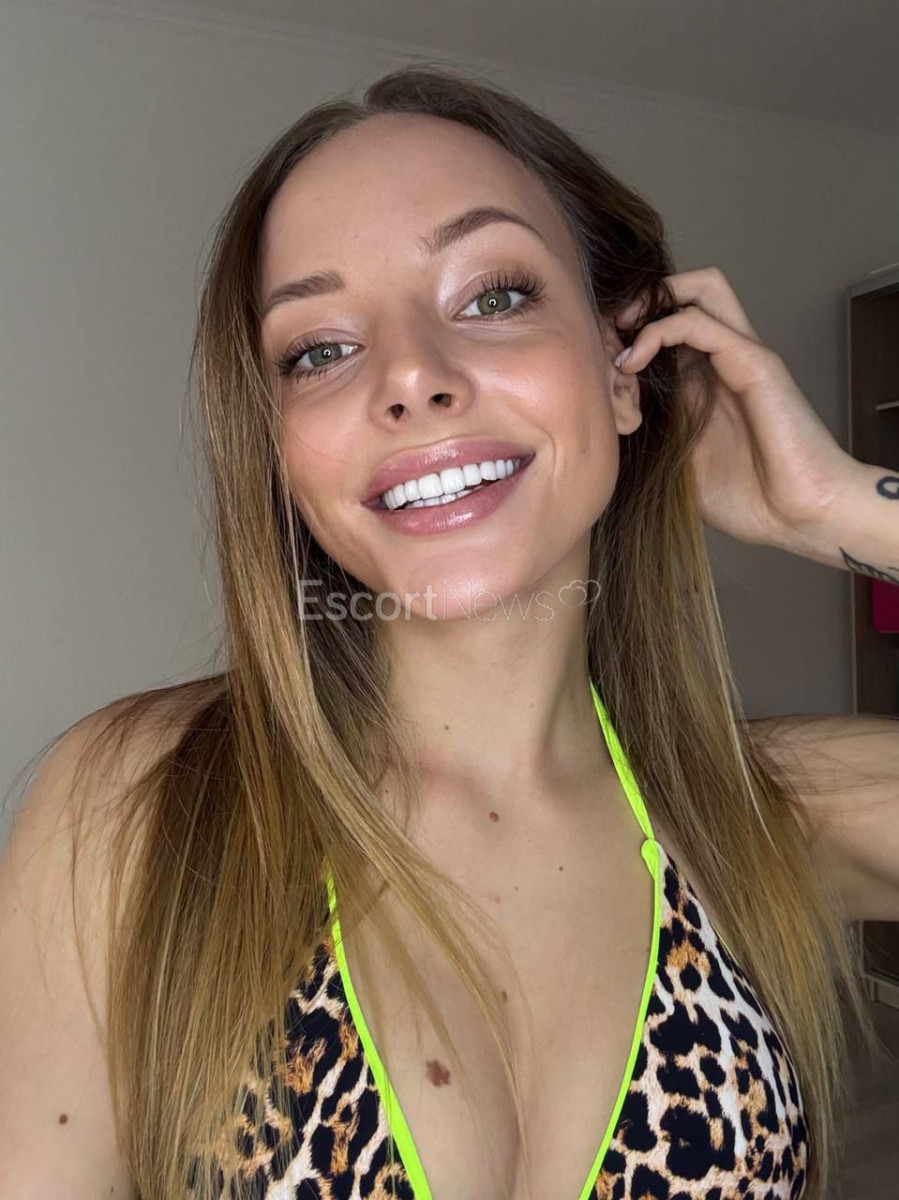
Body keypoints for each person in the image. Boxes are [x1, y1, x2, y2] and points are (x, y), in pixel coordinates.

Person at [1, 63, 896, 1200]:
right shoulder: (136, 808)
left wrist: (837, 504)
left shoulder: (760, 809)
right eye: (319, 350)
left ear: (625, 371)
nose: (412, 376)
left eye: (492, 296)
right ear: (281, 451)